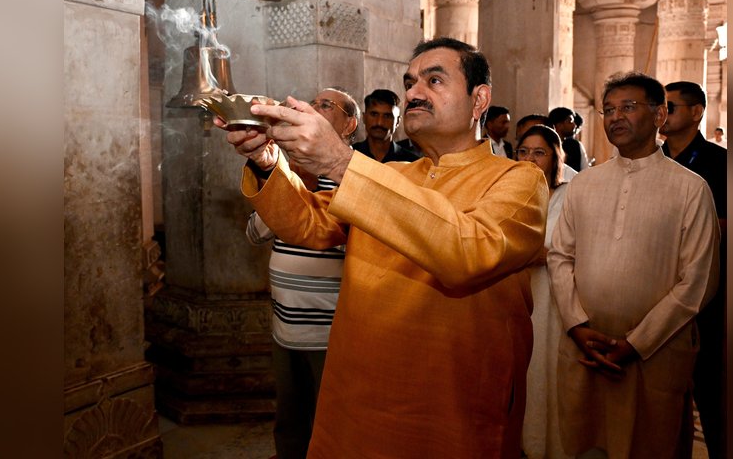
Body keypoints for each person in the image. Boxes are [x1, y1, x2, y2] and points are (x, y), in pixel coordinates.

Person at [219, 37, 549, 458]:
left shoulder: (518, 180)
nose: (413, 92)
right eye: (409, 82)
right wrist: (268, 161)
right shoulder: (393, 172)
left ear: (479, 98)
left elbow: (469, 252)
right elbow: (308, 223)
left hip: (449, 404)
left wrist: (340, 162)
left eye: (434, 80)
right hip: (357, 393)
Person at [547, 71, 720, 459]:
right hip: (585, 349)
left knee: (650, 443)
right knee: (584, 443)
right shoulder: (585, 184)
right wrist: (576, 325)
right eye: (608, 109)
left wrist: (636, 343)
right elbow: (560, 256)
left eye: (628, 107)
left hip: (655, 353)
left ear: (659, 116)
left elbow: (698, 280)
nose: (615, 117)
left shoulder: (691, 188)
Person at [245, 87, 359, 459]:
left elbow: (345, 241)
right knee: (290, 424)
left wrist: (309, 193)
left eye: (326, 105)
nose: (314, 108)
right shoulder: (289, 170)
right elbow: (255, 233)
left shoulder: (357, 177)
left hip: (330, 334)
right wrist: (284, 182)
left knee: (332, 427)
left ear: (349, 124)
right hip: (285, 329)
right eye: (314, 102)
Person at [661, 81, 727, 459]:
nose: (662, 114)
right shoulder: (652, 161)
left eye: (670, 107)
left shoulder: (722, 163)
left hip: (708, 294)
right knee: (664, 398)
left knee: (711, 390)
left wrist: (698, 226)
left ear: (696, 112)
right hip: (657, 288)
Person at [516, 125, 572, 459]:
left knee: (545, 372)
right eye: (523, 151)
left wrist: (542, 254)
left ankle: (546, 446)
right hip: (512, 293)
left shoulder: (569, 194)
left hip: (552, 297)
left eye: (539, 152)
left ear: (554, 158)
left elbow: (579, 248)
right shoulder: (505, 193)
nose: (530, 159)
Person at [352, 88, 419, 162]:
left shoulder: (411, 163)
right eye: (374, 114)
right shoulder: (350, 156)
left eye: (387, 116)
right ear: (364, 117)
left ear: (397, 122)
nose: (379, 122)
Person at [548, 107, 590, 172]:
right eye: (570, 121)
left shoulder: (575, 145)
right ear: (559, 125)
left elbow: (585, 171)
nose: (574, 125)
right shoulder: (546, 144)